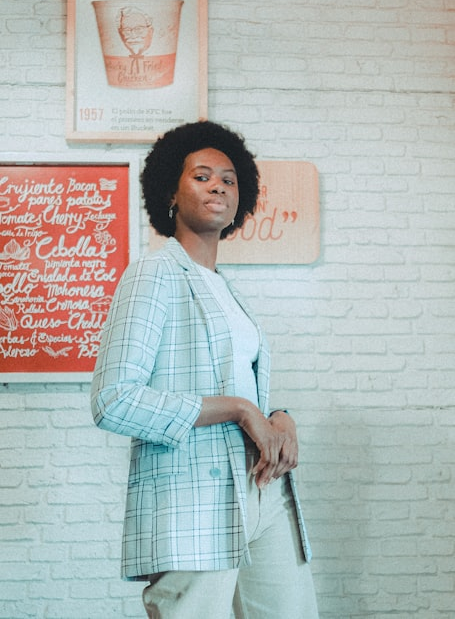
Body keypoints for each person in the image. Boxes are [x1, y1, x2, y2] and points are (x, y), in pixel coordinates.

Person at [91, 120, 319, 618]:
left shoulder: (226, 289)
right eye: (202, 176)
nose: (218, 185)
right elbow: (114, 401)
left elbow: (235, 383)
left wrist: (276, 416)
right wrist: (238, 410)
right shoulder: (153, 274)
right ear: (170, 193)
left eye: (229, 179)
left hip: (264, 488)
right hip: (194, 498)